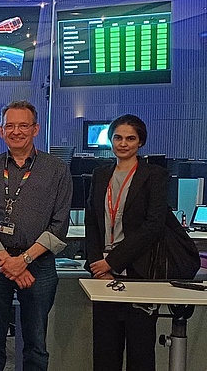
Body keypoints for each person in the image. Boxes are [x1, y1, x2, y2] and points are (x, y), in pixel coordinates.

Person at [0, 100, 72, 371]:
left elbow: (60, 224)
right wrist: (8, 261)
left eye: (23, 125)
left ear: (35, 129)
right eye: (10, 126)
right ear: (1, 130)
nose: (16, 131)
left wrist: (24, 260)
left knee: (36, 343)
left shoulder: (57, 170)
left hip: (38, 266)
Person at [85, 114, 167, 371]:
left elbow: (153, 226)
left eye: (130, 138)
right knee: (105, 352)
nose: (123, 143)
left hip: (139, 270)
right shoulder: (100, 174)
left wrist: (112, 262)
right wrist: (97, 266)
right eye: (118, 138)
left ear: (140, 142)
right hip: (103, 275)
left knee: (140, 352)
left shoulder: (154, 175)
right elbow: (92, 222)